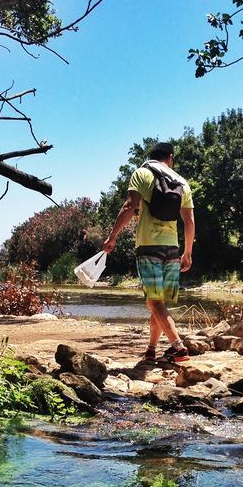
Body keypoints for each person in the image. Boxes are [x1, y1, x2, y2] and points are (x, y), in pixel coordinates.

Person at [103, 142, 195, 364]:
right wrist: (188, 252)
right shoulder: (182, 182)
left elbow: (128, 206)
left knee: (154, 302)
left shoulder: (142, 173)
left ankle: (178, 347)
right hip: (172, 248)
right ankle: (151, 349)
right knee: (159, 301)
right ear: (170, 158)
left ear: (152, 156)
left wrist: (112, 236)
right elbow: (189, 221)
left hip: (148, 246)